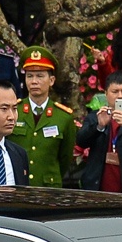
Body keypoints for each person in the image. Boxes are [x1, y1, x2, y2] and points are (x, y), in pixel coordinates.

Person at [9, 46, 74, 186]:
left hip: (48, 187)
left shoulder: (63, 117)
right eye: (29, 76)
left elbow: (65, 158)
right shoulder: (13, 110)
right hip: (17, 184)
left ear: (51, 80)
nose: (34, 81)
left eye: (40, 76)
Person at [77, 71, 122, 192]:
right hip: (97, 188)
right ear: (106, 94)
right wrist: (99, 126)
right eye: (115, 91)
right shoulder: (95, 117)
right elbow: (81, 141)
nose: (120, 96)